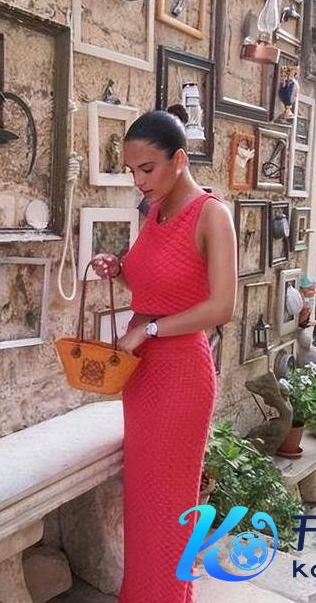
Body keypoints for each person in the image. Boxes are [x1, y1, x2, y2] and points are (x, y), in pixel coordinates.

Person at [90, 110, 237, 602]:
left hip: (180, 379)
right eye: (132, 170)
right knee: (143, 508)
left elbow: (222, 306)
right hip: (142, 376)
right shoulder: (155, 215)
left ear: (179, 159)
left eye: (147, 169)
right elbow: (153, 286)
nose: (138, 180)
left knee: (171, 511)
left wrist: (149, 330)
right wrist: (118, 270)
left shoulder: (212, 215)